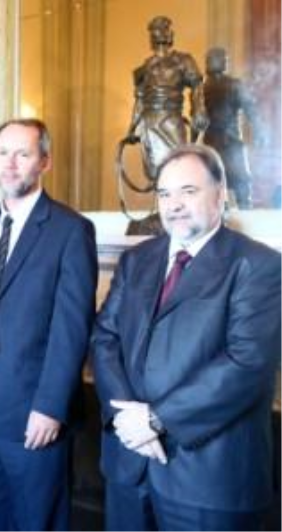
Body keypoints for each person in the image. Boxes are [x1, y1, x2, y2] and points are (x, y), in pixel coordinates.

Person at [91, 144, 282, 532]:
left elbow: (247, 364)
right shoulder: (137, 260)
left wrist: (157, 419)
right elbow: (104, 337)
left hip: (209, 483)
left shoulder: (258, 265)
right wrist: (129, 420)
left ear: (220, 194)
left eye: (188, 191)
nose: (173, 204)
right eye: (164, 194)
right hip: (129, 466)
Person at [0, 118, 98, 532]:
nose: (10, 164)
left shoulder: (71, 230)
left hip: (35, 412)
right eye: (2, 153)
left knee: (38, 522)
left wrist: (50, 406)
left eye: (23, 154)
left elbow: (72, 329)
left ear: (45, 162)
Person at [126, 16, 208, 181]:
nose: (160, 35)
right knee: (154, 170)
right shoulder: (145, 68)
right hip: (150, 122)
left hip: (171, 120)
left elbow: (196, 85)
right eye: (156, 32)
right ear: (151, 38)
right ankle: (160, 202)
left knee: (178, 163)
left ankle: (177, 201)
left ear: (171, 34)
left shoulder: (183, 61)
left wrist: (199, 110)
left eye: (164, 30)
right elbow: (140, 99)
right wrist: (133, 126)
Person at [203, 46, 266, 209]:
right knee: (215, 182)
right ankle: (223, 213)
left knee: (241, 181)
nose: (212, 62)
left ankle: (245, 211)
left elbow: (251, 109)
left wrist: (259, 131)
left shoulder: (234, 85)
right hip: (213, 142)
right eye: (210, 59)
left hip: (231, 141)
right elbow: (198, 118)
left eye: (217, 58)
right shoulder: (202, 88)